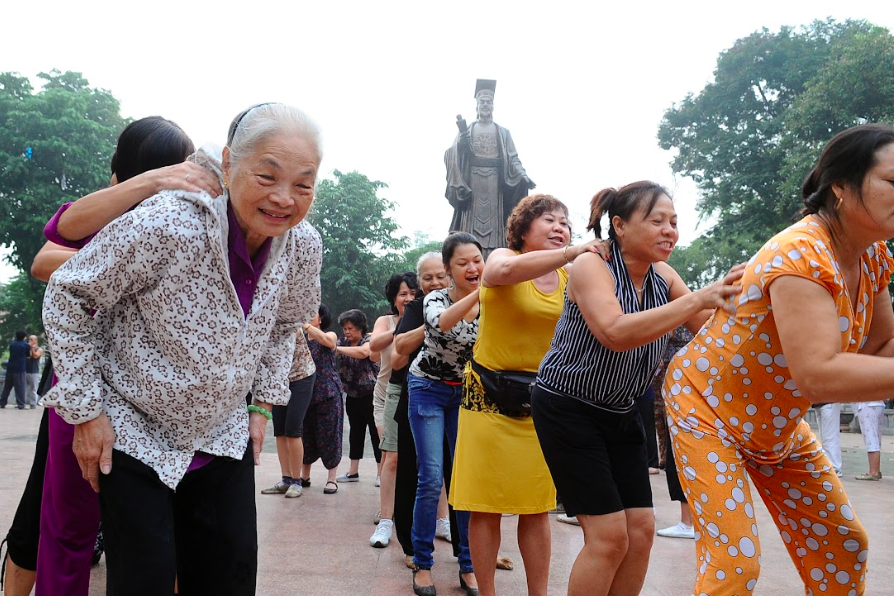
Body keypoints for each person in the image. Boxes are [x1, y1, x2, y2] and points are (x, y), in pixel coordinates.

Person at [41, 102, 323, 595]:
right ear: (230, 164)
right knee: (144, 578)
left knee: (230, 573)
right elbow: (67, 293)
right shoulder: (167, 223)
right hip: (133, 428)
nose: (284, 199)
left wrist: (261, 404)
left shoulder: (303, 245)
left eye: (304, 184)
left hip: (222, 431)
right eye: (267, 176)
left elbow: (283, 325)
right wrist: (86, 413)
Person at [664, 123, 894, 596]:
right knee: (734, 565)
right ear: (843, 187)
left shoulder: (872, 258)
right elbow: (820, 375)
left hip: (777, 425)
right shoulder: (800, 253)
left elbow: (880, 351)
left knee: (844, 546)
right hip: (705, 409)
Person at [2, 116, 219, 596]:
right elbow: (50, 244)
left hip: (134, 400)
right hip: (88, 397)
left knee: (109, 536)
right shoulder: (112, 217)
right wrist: (149, 194)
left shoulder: (188, 219)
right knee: (65, 527)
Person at [531, 181, 743, 596]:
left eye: (674, 222)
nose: (669, 231)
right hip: (567, 407)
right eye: (657, 221)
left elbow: (712, 338)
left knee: (641, 532)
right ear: (620, 226)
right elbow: (614, 332)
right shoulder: (593, 265)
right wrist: (699, 299)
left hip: (622, 411)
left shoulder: (664, 276)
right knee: (609, 537)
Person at [451, 194, 601, 596]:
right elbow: (501, 272)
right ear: (523, 230)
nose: (560, 227)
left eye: (565, 222)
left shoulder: (573, 276)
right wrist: (573, 251)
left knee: (537, 509)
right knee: (485, 506)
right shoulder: (502, 256)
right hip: (487, 401)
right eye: (549, 220)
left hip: (542, 404)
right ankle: (487, 591)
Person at [408, 232, 484, 596]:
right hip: (427, 389)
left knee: (465, 479)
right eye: (463, 263)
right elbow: (441, 325)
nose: (473, 268)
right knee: (431, 476)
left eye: (477, 260)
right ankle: (423, 564)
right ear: (449, 270)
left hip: (466, 395)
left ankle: (469, 565)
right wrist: (481, 292)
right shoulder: (435, 298)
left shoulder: (494, 301)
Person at [392, 252, 449, 567]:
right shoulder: (416, 309)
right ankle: (411, 548)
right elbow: (398, 357)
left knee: (459, 475)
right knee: (416, 476)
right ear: (420, 283)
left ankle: (470, 552)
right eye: (427, 278)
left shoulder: (469, 303)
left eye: (441, 275)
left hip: (462, 404)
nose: (436, 282)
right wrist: (436, 325)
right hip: (419, 403)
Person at [445, 79, 534, 258]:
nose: (485, 105)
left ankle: (496, 259)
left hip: (495, 185)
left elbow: (513, 158)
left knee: (496, 230)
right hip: (473, 185)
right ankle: (469, 256)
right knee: (470, 227)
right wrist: (461, 146)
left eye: (489, 102)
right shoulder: (467, 130)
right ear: (477, 105)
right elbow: (450, 154)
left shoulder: (503, 132)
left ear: (493, 106)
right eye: (482, 102)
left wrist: (522, 175)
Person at [369, 272, 418, 548]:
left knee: (430, 460)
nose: (408, 298)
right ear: (394, 298)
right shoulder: (385, 321)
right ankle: (387, 519)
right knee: (392, 456)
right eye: (403, 293)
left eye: (413, 293)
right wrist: (401, 327)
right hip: (387, 394)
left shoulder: (429, 316)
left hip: (420, 394)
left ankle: (440, 519)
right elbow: (373, 347)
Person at [260, 332, 316, 498]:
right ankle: (286, 479)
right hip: (279, 380)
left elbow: (280, 354)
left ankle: (296, 481)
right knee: (279, 430)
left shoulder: (290, 323)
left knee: (293, 429)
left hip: (301, 377)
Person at [653, 326, 697, 540]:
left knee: (680, 453)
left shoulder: (679, 308)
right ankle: (691, 522)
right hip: (684, 383)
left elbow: (664, 335)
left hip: (680, 384)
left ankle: (688, 522)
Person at [300, 304, 345, 496]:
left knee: (330, 434)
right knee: (305, 435)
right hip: (305, 394)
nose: (308, 317)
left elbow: (327, 341)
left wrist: (307, 326)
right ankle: (304, 476)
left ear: (321, 319)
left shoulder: (330, 335)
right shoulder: (299, 340)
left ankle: (331, 479)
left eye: (312, 314)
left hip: (328, 393)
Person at [336, 309, 382, 482]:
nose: (347, 332)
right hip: (352, 396)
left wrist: (337, 348)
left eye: (351, 328)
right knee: (355, 432)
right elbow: (331, 347)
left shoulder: (369, 341)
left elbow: (364, 353)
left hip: (371, 395)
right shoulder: (343, 343)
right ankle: (353, 471)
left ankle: (380, 473)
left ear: (360, 327)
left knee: (375, 433)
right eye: (345, 328)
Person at [854, 401, 886, 480]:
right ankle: (876, 470)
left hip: (867, 404)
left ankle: (873, 472)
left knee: (870, 438)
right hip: (879, 404)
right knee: (876, 438)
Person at [0, 331, 29, 410]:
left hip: (10, 367)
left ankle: (2, 403)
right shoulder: (26, 345)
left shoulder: (12, 344)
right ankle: (21, 404)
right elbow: (28, 356)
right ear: (24, 337)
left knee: (7, 387)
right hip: (20, 368)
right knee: (20, 387)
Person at [812, 401, 843, 475]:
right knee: (825, 437)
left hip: (828, 401)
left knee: (829, 437)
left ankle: (834, 467)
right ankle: (830, 465)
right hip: (819, 402)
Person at [25, 336, 44, 409]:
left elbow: (35, 356)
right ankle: (22, 403)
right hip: (25, 370)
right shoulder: (27, 348)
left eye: (31, 339)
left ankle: (33, 404)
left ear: (35, 340)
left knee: (34, 389)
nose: (29, 341)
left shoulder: (39, 349)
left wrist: (32, 349)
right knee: (23, 388)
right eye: (29, 339)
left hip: (34, 372)